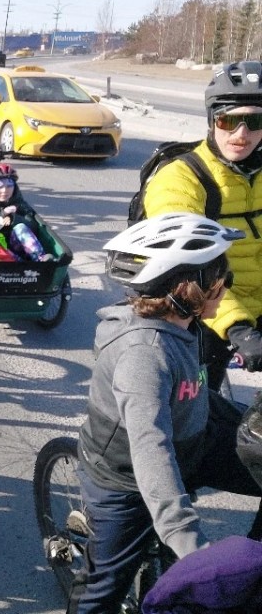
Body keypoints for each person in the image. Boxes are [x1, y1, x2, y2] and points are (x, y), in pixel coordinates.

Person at [74, 213, 262, 614]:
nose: (226, 287)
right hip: (126, 479)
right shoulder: (144, 355)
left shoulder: (187, 320)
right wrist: (186, 539)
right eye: (221, 280)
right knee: (100, 594)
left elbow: (194, 394)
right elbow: (150, 448)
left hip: (193, 437)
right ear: (186, 288)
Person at [143, 61, 262, 390]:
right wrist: (237, 327)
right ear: (212, 120)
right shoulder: (182, 178)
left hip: (257, 305)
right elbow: (185, 267)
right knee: (194, 412)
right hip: (204, 309)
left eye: (254, 121)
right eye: (229, 120)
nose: (241, 134)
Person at [0, 162, 53, 262]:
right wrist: (3, 214)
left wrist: (14, 218)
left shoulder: (17, 201)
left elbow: (32, 223)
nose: (5, 190)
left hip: (13, 243)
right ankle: (19, 264)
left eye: (9, 186)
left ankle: (40, 259)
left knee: (21, 228)